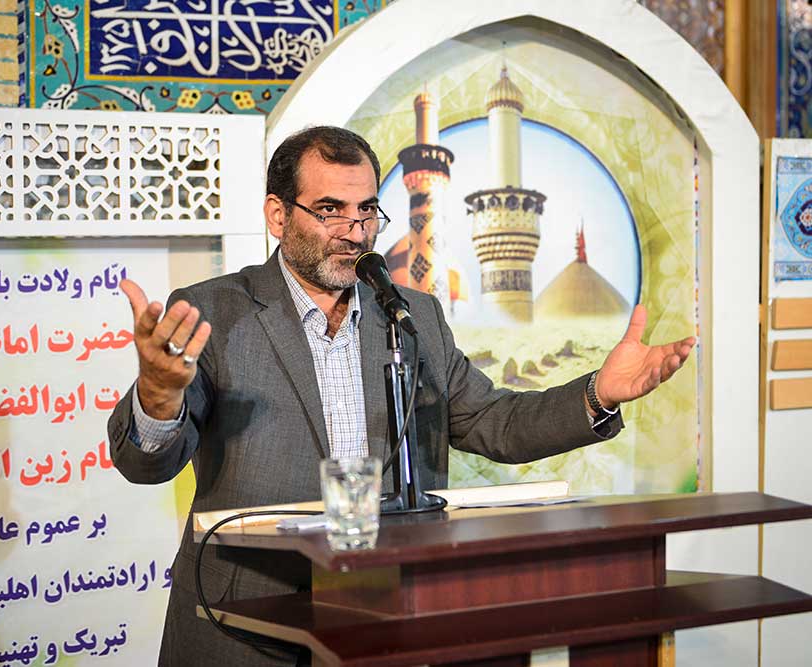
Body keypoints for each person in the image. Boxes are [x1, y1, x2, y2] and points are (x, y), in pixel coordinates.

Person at [107, 126, 695, 666]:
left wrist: (598, 394)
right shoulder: (214, 311)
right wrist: (158, 394)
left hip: (383, 614)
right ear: (278, 215)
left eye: (366, 210)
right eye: (330, 210)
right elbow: (144, 463)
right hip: (246, 622)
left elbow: (492, 421)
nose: (354, 231)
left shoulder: (413, 316)